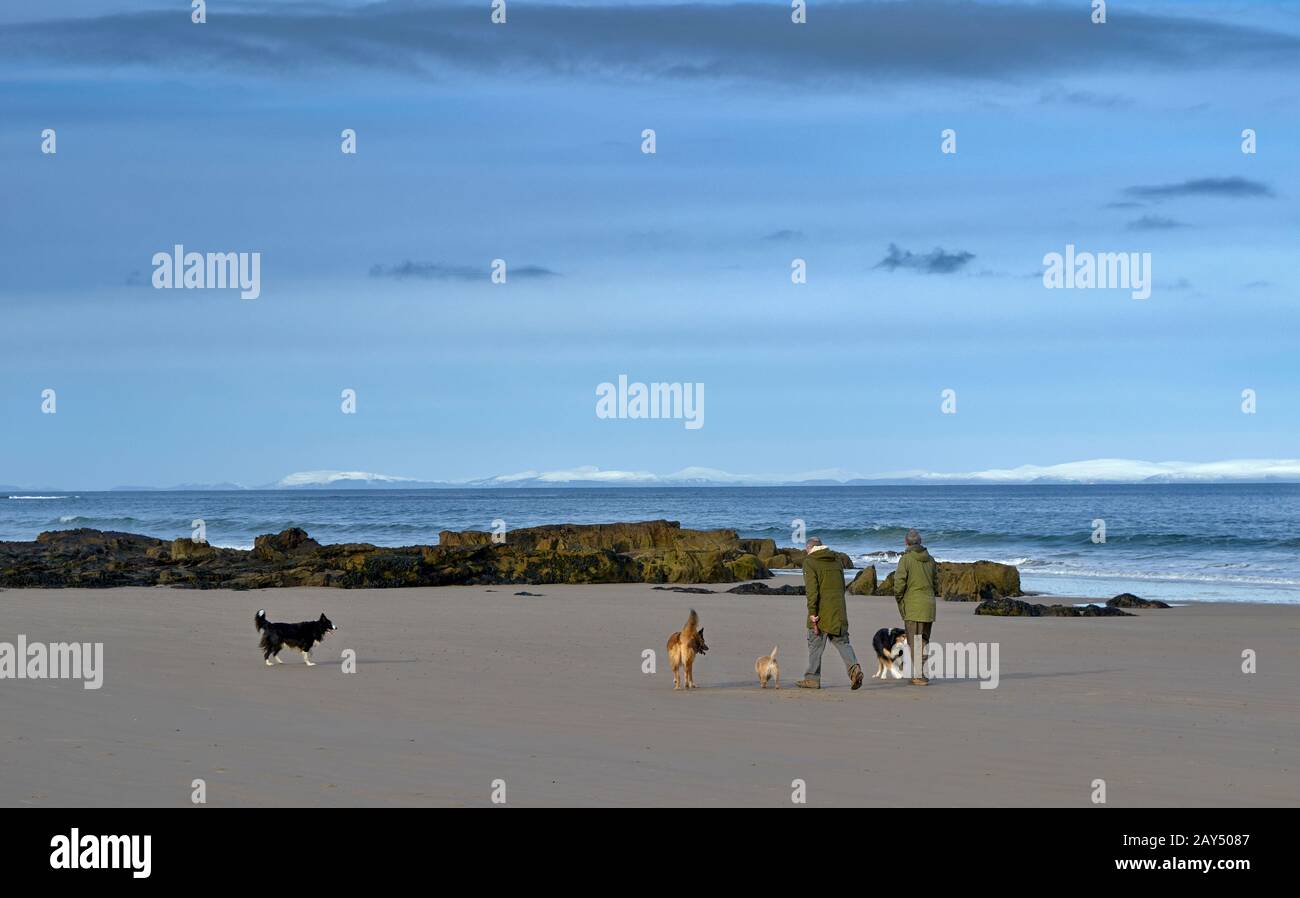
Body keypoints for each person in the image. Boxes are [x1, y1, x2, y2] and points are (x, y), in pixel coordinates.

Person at [795, 538, 864, 690]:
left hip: (821, 610)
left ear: (809, 548)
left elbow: (812, 591)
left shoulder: (810, 562)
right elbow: (841, 586)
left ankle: (812, 678)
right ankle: (854, 669)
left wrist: (812, 612)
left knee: (815, 644)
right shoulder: (837, 559)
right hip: (838, 608)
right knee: (842, 642)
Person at [893, 529, 938, 686]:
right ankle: (920, 672)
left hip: (913, 605)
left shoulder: (906, 559)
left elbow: (899, 583)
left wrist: (899, 598)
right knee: (924, 639)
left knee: (915, 641)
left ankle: (919, 675)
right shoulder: (930, 560)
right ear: (920, 542)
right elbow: (936, 582)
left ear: (906, 542)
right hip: (929, 605)